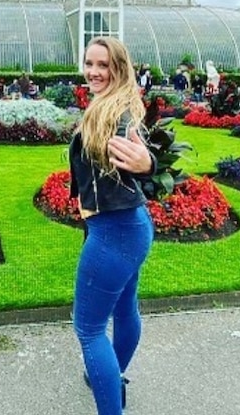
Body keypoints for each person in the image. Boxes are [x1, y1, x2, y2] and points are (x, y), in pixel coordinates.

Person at [69, 36, 157, 415]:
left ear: (118, 68)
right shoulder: (111, 105)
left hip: (114, 233)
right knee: (124, 310)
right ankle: (112, 376)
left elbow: (138, 155)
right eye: (89, 63)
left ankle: (110, 392)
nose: (93, 71)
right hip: (130, 227)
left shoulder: (116, 114)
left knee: (88, 329)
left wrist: (147, 163)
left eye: (103, 65)